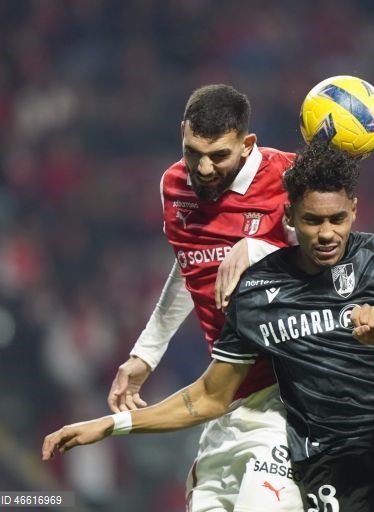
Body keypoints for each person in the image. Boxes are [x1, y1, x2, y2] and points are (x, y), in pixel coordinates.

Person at [44, 141, 374, 512]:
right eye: (312, 221)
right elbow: (208, 396)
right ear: (288, 215)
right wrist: (110, 425)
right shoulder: (256, 292)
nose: (327, 233)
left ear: (355, 211)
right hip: (329, 470)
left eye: (338, 219)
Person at [106, 84, 302, 511]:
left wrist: (258, 248)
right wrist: (147, 352)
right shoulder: (174, 185)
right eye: (194, 152)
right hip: (227, 396)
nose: (205, 168)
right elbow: (191, 262)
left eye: (220, 156)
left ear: (247, 144)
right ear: (183, 133)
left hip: (291, 391)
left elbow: (333, 258)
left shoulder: (290, 177)